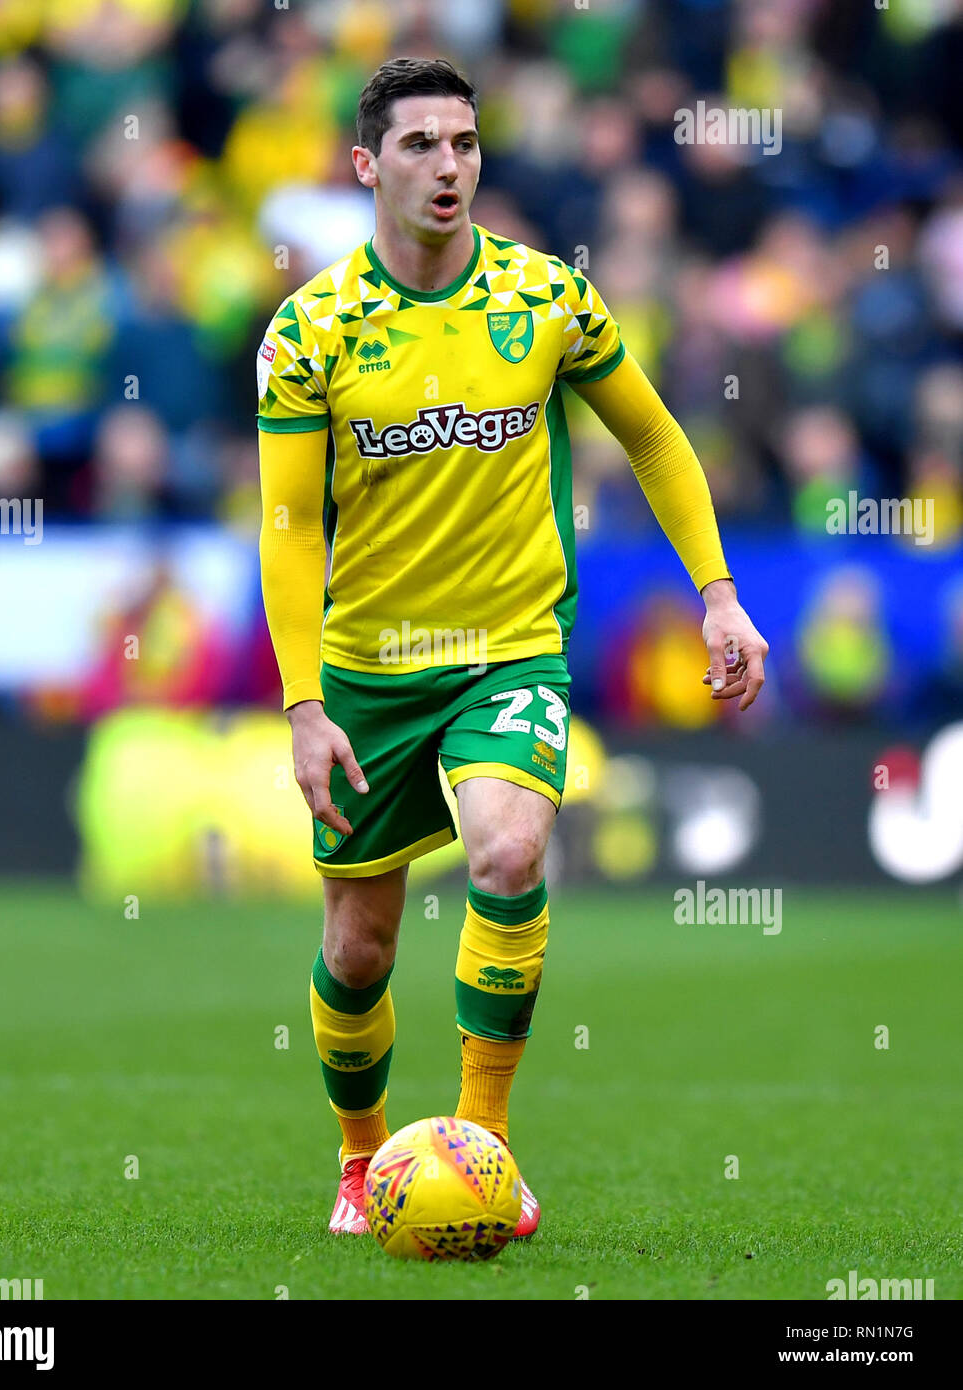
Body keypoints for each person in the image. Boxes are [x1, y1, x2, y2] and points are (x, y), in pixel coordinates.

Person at [257, 57, 768, 1239]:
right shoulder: (311, 330)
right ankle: (357, 1158)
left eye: (465, 143)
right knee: (359, 941)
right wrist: (300, 704)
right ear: (365, 166)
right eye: (421, 145)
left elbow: (652, 435)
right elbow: (286, 528)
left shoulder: (549, 300)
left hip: (509, 648)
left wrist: (719, 595)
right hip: (368, 671)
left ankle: (483, 1139)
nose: (449, 166)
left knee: (506, 855)